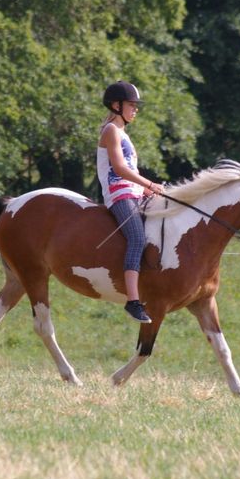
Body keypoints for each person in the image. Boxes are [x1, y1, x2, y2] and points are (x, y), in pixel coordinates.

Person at [97, 81, 164, 324]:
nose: (135, 110)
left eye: (136, 106)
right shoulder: (110, 131)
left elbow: (130, 169)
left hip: (132, 192)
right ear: (117, 106)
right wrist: (149, 184)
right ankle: (133, 301)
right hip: (119, 194)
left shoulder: (123, 133)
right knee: (137, 238)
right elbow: (119, 168)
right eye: (131, 105)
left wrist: (148, 191)